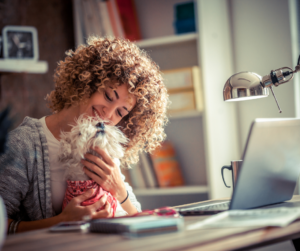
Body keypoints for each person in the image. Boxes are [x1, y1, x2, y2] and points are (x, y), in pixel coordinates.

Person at [0, 36, 169, 234]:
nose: (107, 114)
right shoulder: (23, 144)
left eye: (120, 112)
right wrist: (62, 221)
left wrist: (120, 191)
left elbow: (136, 215)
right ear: (87, 82)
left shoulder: (100, 144)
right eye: (107, 96)